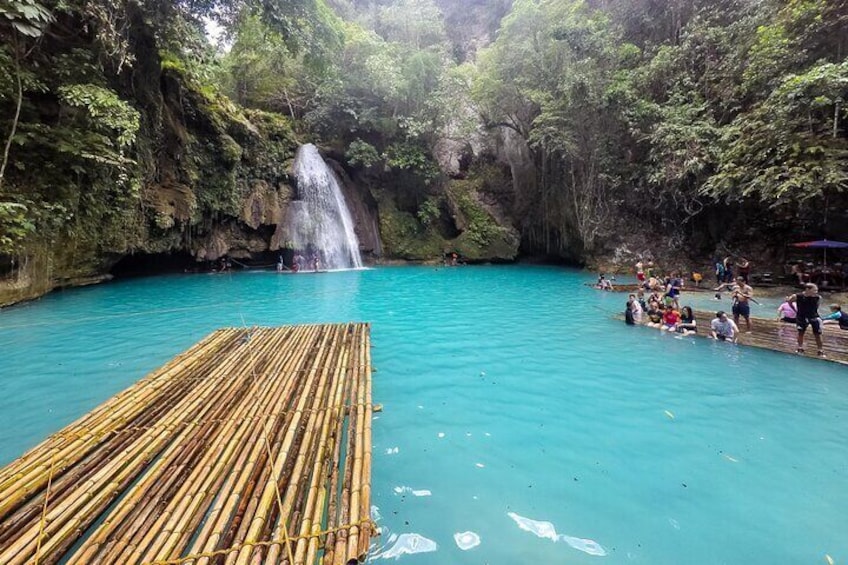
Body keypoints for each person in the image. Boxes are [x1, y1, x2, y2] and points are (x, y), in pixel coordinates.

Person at [794, 283, 824, 357]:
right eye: (814, 290)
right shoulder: (798, 296)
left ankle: (820, 350)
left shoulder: (818, 297)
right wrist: (796, 310)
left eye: (816, 290)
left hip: (814, 316)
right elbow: (789, 302)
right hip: (802, 316)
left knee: (818, 333)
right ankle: (800, 347)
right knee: (801, 332)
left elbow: (817, 306)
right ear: (807, 289)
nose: (816, 292)